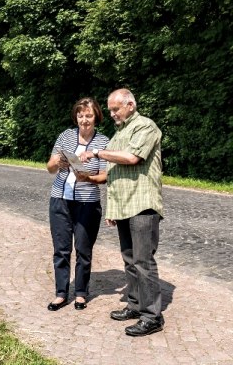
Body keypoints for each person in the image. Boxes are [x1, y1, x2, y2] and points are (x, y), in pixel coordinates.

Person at [80, 88, 164, 336]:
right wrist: (90, 179)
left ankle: (152, 316)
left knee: (143, 261)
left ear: (130, 104)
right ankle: (135, 305)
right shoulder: (119, 134)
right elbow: (112, 173)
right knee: (129, 259)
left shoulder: (146, 126)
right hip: (124, 205)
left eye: (116, 109)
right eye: (110, 110)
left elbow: (131, 158)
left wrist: (96, 152)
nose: (113, 113)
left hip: (142, 204)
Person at [45, 97, 109, 311]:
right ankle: (61, 293)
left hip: (87, 204)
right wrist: (58, 162)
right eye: (80, 115)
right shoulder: (65, 136)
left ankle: (81, 292)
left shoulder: (104, 142)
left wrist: (89, 178)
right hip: (60, 200)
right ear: (76, 117)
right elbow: (50, 167)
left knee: (83, 249)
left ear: (96, 116)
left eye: (88, 115)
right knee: (61, 249)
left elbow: (106, 176)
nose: (84, 120)